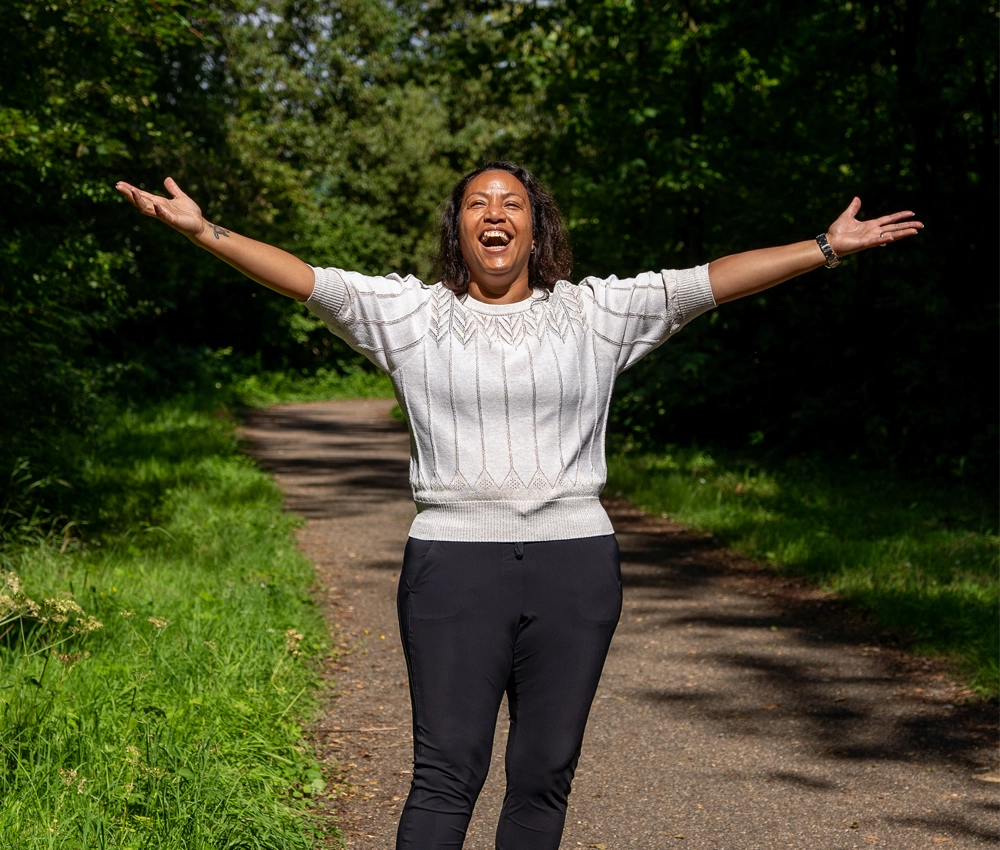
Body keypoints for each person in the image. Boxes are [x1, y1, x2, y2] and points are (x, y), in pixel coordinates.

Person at [116, 163, 921, 849]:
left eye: (512, 205)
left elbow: (708, 282)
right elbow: (304, 277)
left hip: (576, 567)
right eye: (478, 203)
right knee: (447, 771)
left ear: (536, 230)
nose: (494, 214)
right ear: (458, 230)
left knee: (542, 774)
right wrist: (202, 230)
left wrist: (824, 249)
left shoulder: (595, 312)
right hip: (450, 569)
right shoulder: (409, 315)